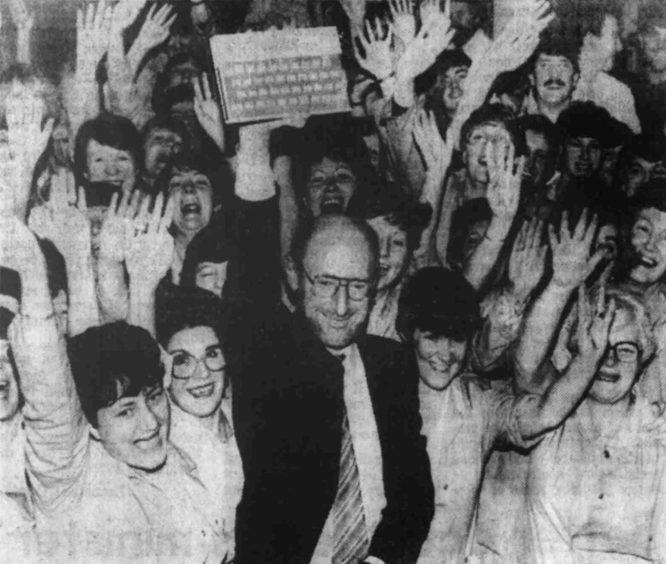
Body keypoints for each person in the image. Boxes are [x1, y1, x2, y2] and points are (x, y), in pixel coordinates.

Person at [231, 214, 434, 563]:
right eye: (326, 283)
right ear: (295, 275)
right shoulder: (262, 357)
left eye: (357, 286)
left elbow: (413, 493)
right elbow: (249, 266)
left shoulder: (393, 366)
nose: (341, 307)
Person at [526, 285, 666, 563]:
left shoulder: (659, 438)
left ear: (643, 359)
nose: (609, 360)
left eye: (625, 349)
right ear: (577, 352)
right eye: (598, 346)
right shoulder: (552, 431)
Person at [157, 292, 243, 559]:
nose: (202, 373)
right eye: (182, 360)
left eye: (212, 354)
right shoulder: (158, 444)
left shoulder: (245, 421)